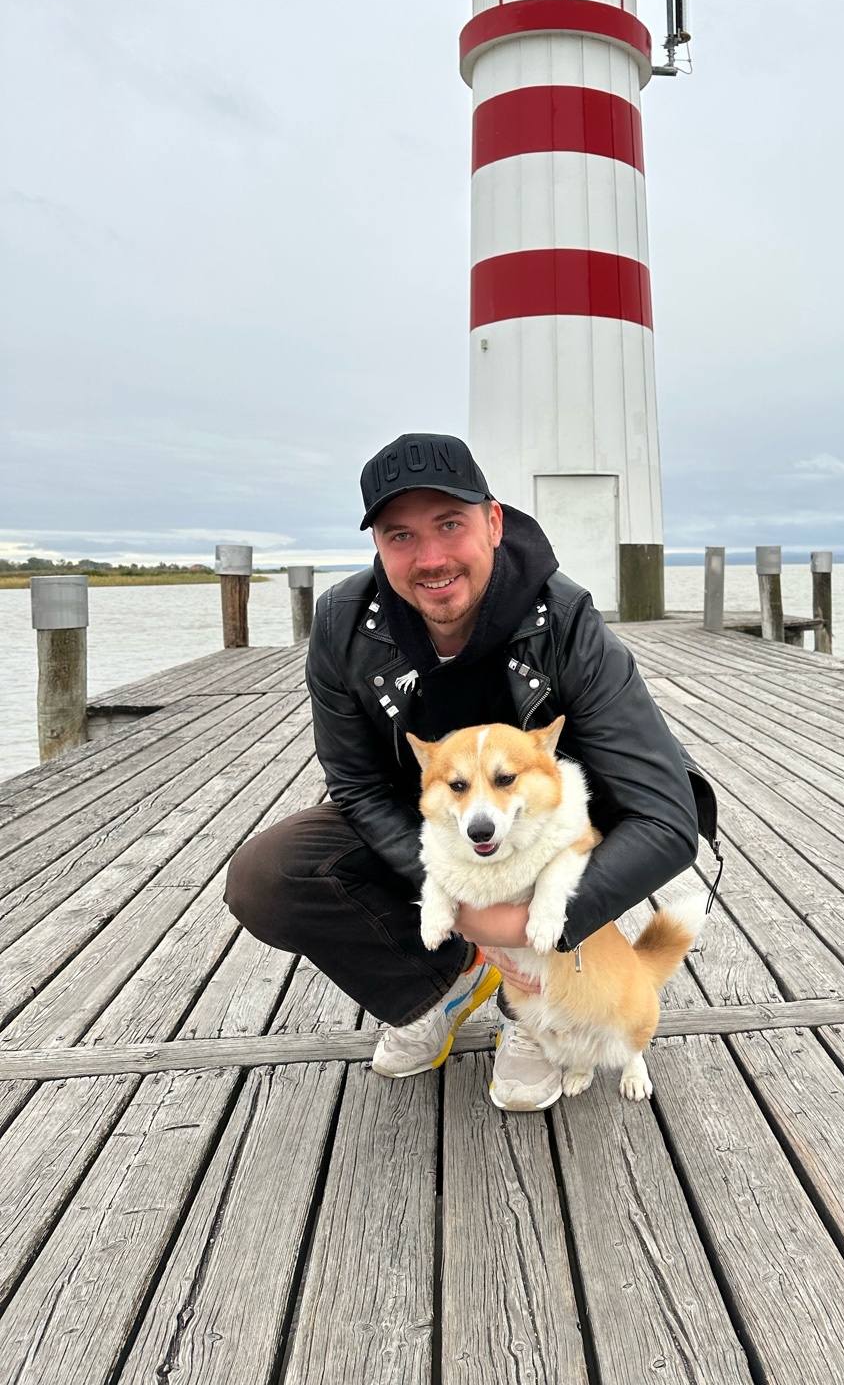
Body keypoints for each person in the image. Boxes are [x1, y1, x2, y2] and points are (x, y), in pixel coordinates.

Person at [225, 431, 715, 1111]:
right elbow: (360, 787)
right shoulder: (340, 624)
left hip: (558, 829)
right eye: (399, 536)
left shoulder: (567, 621)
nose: (429, 558)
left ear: (492, 521)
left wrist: (534, 919)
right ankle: (444, 983)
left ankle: (535, 1015)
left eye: (449, 524)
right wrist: (454, 894)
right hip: (435, 822)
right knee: (266, 876)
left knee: (566, 859)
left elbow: (666, 817)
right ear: (377, 546)